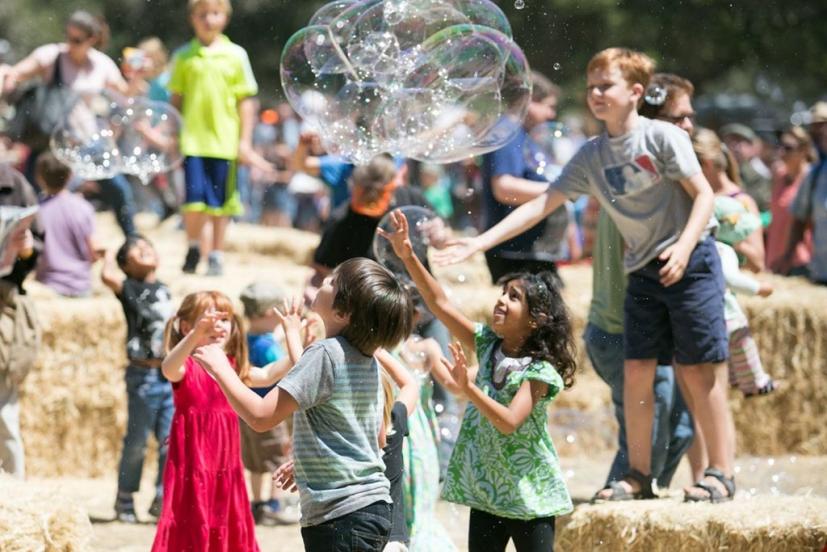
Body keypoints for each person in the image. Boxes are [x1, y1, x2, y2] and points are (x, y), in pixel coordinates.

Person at [437, 48, 735, 504]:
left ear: (635, 92)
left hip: (691, 261)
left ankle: (720, 472)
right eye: (591, 85)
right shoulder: (591, 155)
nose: (595, 93)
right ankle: (638, 475)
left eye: (606, 85)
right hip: (643, 270)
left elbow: (704, 196)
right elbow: (545, 202)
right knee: (636, 371)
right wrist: (479, 242)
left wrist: (685, 244)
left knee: (698, 371)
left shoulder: (662, 138)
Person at [381, 209, 575, 551]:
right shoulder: (487, 344)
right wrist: (408, 255)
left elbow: (510, 422)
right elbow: (440, 304)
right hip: (487, 491)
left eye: (514, 297)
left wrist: (468, 388)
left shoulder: (539, 371)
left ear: (537, 319)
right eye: (503, 292)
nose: (501, 299)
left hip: (530, 497)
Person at [195, 258, 414, 552]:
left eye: (332, 282)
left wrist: (221, 368)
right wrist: (309, 462)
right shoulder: (366, 360)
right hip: (369, 509)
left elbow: (261, 417)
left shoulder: (326, 353)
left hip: (341, 517)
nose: (323, 282)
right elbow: (363, 437)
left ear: (342, 312)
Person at [584, 73, 697, 498]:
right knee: (647, 435)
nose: (688, 126)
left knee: (681, 427)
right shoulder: (636, 183)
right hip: (621, 330)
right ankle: (622, 500)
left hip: (650, 330)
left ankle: (644, 503)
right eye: (678, 118)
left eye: (690, 117)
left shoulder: (667, 178)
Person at [152, 290, 300, 551]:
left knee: (224, 514)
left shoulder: (230, 367)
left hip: (225, 462)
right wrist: (195, 336)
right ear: (187, 326)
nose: (217, 325)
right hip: (191, 462)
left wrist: (297, 343)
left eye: (224, 319)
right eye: (208, 318)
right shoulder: (187, 364)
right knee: (192, 516)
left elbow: (267, 374)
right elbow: (168, 368)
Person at [3, 10, 138, 236]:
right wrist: (8, 78)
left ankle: (133, 241)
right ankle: (27, 248)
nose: (70, 44)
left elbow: (125, 96)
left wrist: (136, 76)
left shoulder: (102, 64)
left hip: (86, 140)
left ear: (92, 40)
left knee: (118, 189)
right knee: (29, 196)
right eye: (68, 37)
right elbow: (17, 73)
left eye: (77, 40)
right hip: (50, 143)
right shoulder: (51, 55)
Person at [170, 0, 272, 276]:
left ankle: (216, 254)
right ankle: (193, 247)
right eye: (202, 14)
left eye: (214, 13)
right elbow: (175, 100)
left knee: (220, 204)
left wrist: (244, 141)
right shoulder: (183, 56)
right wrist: (171, 134)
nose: (208, 20)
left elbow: (246, 102)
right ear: (192, 18)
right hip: (192, 141)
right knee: (193, 202)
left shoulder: (236, 55)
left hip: (224, 143)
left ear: (224, 18)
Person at [101, 235, 174, 523]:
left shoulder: (166, 289)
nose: (145, 248)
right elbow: (107, 276)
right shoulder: (129, 288)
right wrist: (107, 254)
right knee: (137, 441)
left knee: (170, 441)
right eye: (136, 250)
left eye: (148, 246)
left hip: (168, 375)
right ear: (126, 266)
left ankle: (162, 497)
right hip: (142, 375)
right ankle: (125, 497)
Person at [481, 71, 566, 283]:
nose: (551, 114)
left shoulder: (522, 134)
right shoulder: (508, 131)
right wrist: (564, 190)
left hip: (527, 249)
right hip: (515, 252)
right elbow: (504, 188)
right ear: (530, 101)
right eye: (548, 105)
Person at [239, 281, 300, 526]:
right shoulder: (267, 346)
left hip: (247, 411)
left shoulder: (246, 338)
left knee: (255, 462)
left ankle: (257, 503)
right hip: (271, 410)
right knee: (278, 457)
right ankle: (276, 504)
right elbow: (285, 370)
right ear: (269, 313)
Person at [0, 164, 42, 479]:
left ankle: (14, 492)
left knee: (4, 410)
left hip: (4, 299)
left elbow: (37, 247)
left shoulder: (13, 181)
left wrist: (25, 250)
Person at [694, 128, 765, 272]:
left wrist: (728, 237)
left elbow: (758, 264)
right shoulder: (694, 196)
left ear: (706, 164)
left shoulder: (741, 202)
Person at [35, 152, 102, 297]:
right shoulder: (83, 207)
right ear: (71, 175)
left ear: (39, 178)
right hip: (81, 285)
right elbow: (94, 254)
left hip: (47, 288)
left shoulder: (35, 211)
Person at [374, 350, 420, 552]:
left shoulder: (345, 435)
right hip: (393, 537)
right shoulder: (394, 422)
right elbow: (409, 384)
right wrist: (376, 349)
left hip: (356, 527)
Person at [777, 101, 827, 285]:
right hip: (822, 274)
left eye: (822, 125)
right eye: (815, 127)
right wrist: (787, 256)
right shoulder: (815, 175)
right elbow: (799, 218)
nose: (819, 132)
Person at [766, 126, 815, 276]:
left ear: (803, 150)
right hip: (775, 258)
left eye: (788, 148)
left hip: (802, 260)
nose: (781, 153)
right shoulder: (779, 175)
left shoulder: (812, 177)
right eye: (780, 146)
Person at [719, 123, 773, 215]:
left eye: (739, 142)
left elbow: (765, 209)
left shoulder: (758, 178)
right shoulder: (718, 173)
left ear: (752, 148)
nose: (735, 147)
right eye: (730, 141)